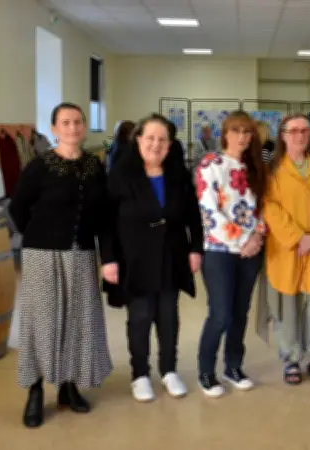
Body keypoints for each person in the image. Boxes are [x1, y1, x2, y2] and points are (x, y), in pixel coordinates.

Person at [9, 102, 112, 428]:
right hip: (42, 255)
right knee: (42, 323)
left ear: (84, 126)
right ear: (54, 128)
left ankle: (69, 386)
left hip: (81, 255)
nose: (72, 127)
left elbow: (103, 216)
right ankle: (36, 390)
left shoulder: (94, 166)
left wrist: (108, 257)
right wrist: (40, 234)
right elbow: (18, 208)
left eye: (77, 121)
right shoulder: (39, 166)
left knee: (77, 322)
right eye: (65, 122)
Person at [101, 113, 204, 402]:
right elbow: (106, 222)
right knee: (141, 316)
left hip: (172, 256)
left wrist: (196, 249)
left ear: (169, 145)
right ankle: (140, 375)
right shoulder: (121, 174)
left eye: (162, 140)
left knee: (168, 316)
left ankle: (169, 370)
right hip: (134, 258)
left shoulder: (178, 175)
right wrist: (108, 259)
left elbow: (193, 217)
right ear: (138, 140)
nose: (156, 145)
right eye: (150, 138)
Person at [262, 113, 310, 385]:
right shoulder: (273, 171)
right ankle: (291, 358)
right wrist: (297, 237)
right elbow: (270, 207)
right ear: (283, 136)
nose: (300, 136)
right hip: (287, 249)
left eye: (304, 131)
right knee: (288, 305)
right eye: (293, 131)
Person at [195, 110, 267, 398]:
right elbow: (209, 212)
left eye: (247, 132)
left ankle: (233, 366)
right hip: (220, 250)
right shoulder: (210, 164)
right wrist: (241, 241)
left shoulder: (255, 168)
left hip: (251, 252)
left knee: (240, 312)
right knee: (221, 313)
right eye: (236, 131)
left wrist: (257, 236)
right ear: (225, 133)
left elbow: (263, 207)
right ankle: (206, 371)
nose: (242, 137)